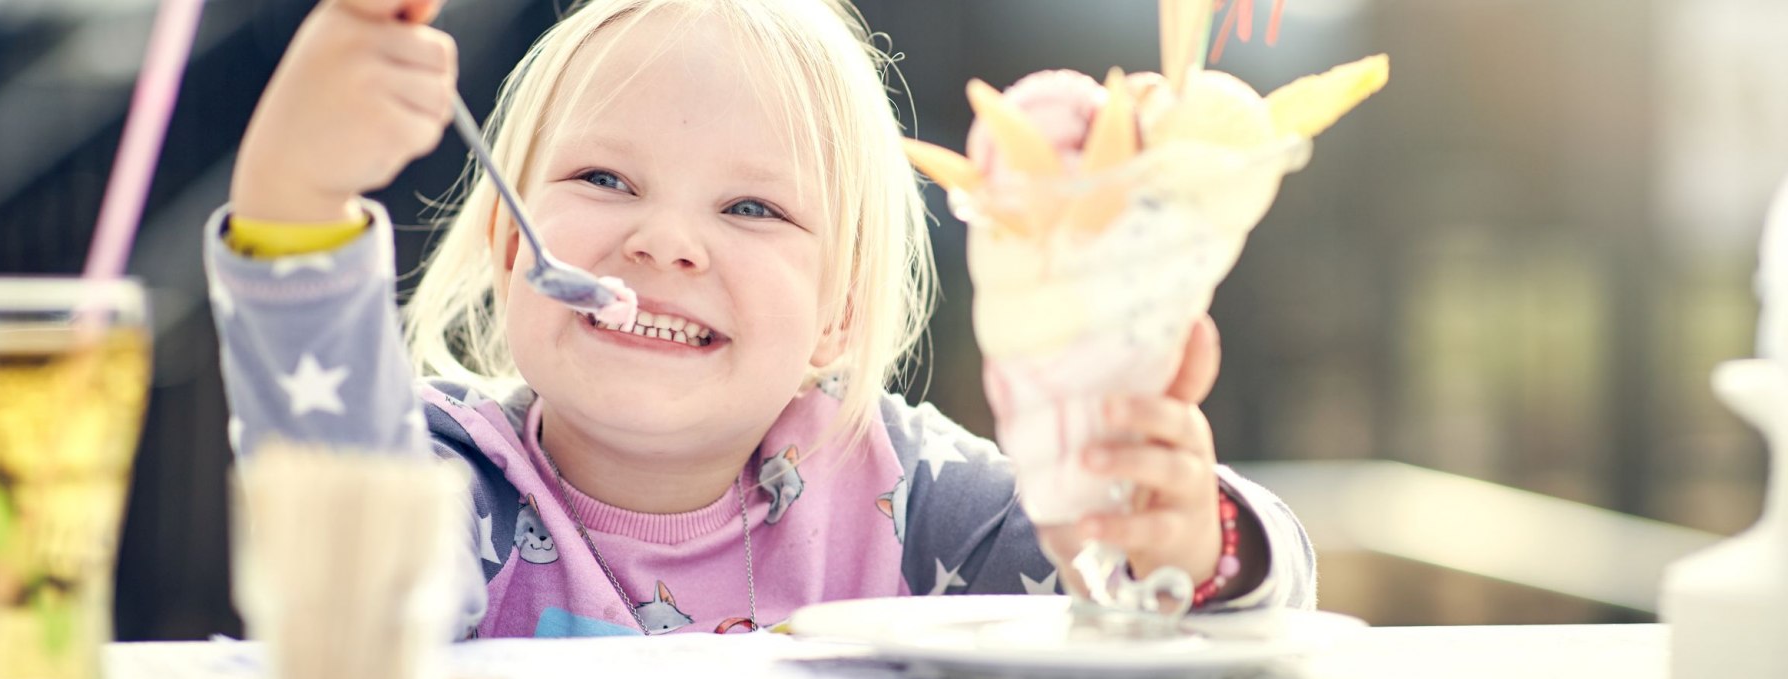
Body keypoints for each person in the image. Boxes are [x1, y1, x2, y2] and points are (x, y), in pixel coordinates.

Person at [206, 0, 1315, 637]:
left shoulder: (904, 492)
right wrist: (290, 201)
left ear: (836, 316)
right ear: (509, 248)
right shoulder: (455, 479)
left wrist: (1176, 543)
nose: (666, 242)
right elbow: (340, 587)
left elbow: (1218, 603)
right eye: (603, 179)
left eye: (751, 206)